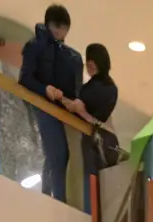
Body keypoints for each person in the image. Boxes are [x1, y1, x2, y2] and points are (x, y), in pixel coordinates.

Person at [19, 5, 82, 203]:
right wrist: (44, 89)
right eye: (58, 31)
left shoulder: (66, 54)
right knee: (58, 153)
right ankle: (57, 200)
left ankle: (50, 196)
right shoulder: (35, 46)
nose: (60, 36)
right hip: (41, 104)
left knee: (56, 153)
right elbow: (25, 79)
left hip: (56, 107)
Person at [62, 42, 119, 213]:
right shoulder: (112, 88)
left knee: (91, 181)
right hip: (110, 140)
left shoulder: (91, 87)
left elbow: (76, 107)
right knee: (105, 185)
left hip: (93, 138)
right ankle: (102, 221)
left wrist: (62, 99)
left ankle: (91, 218)